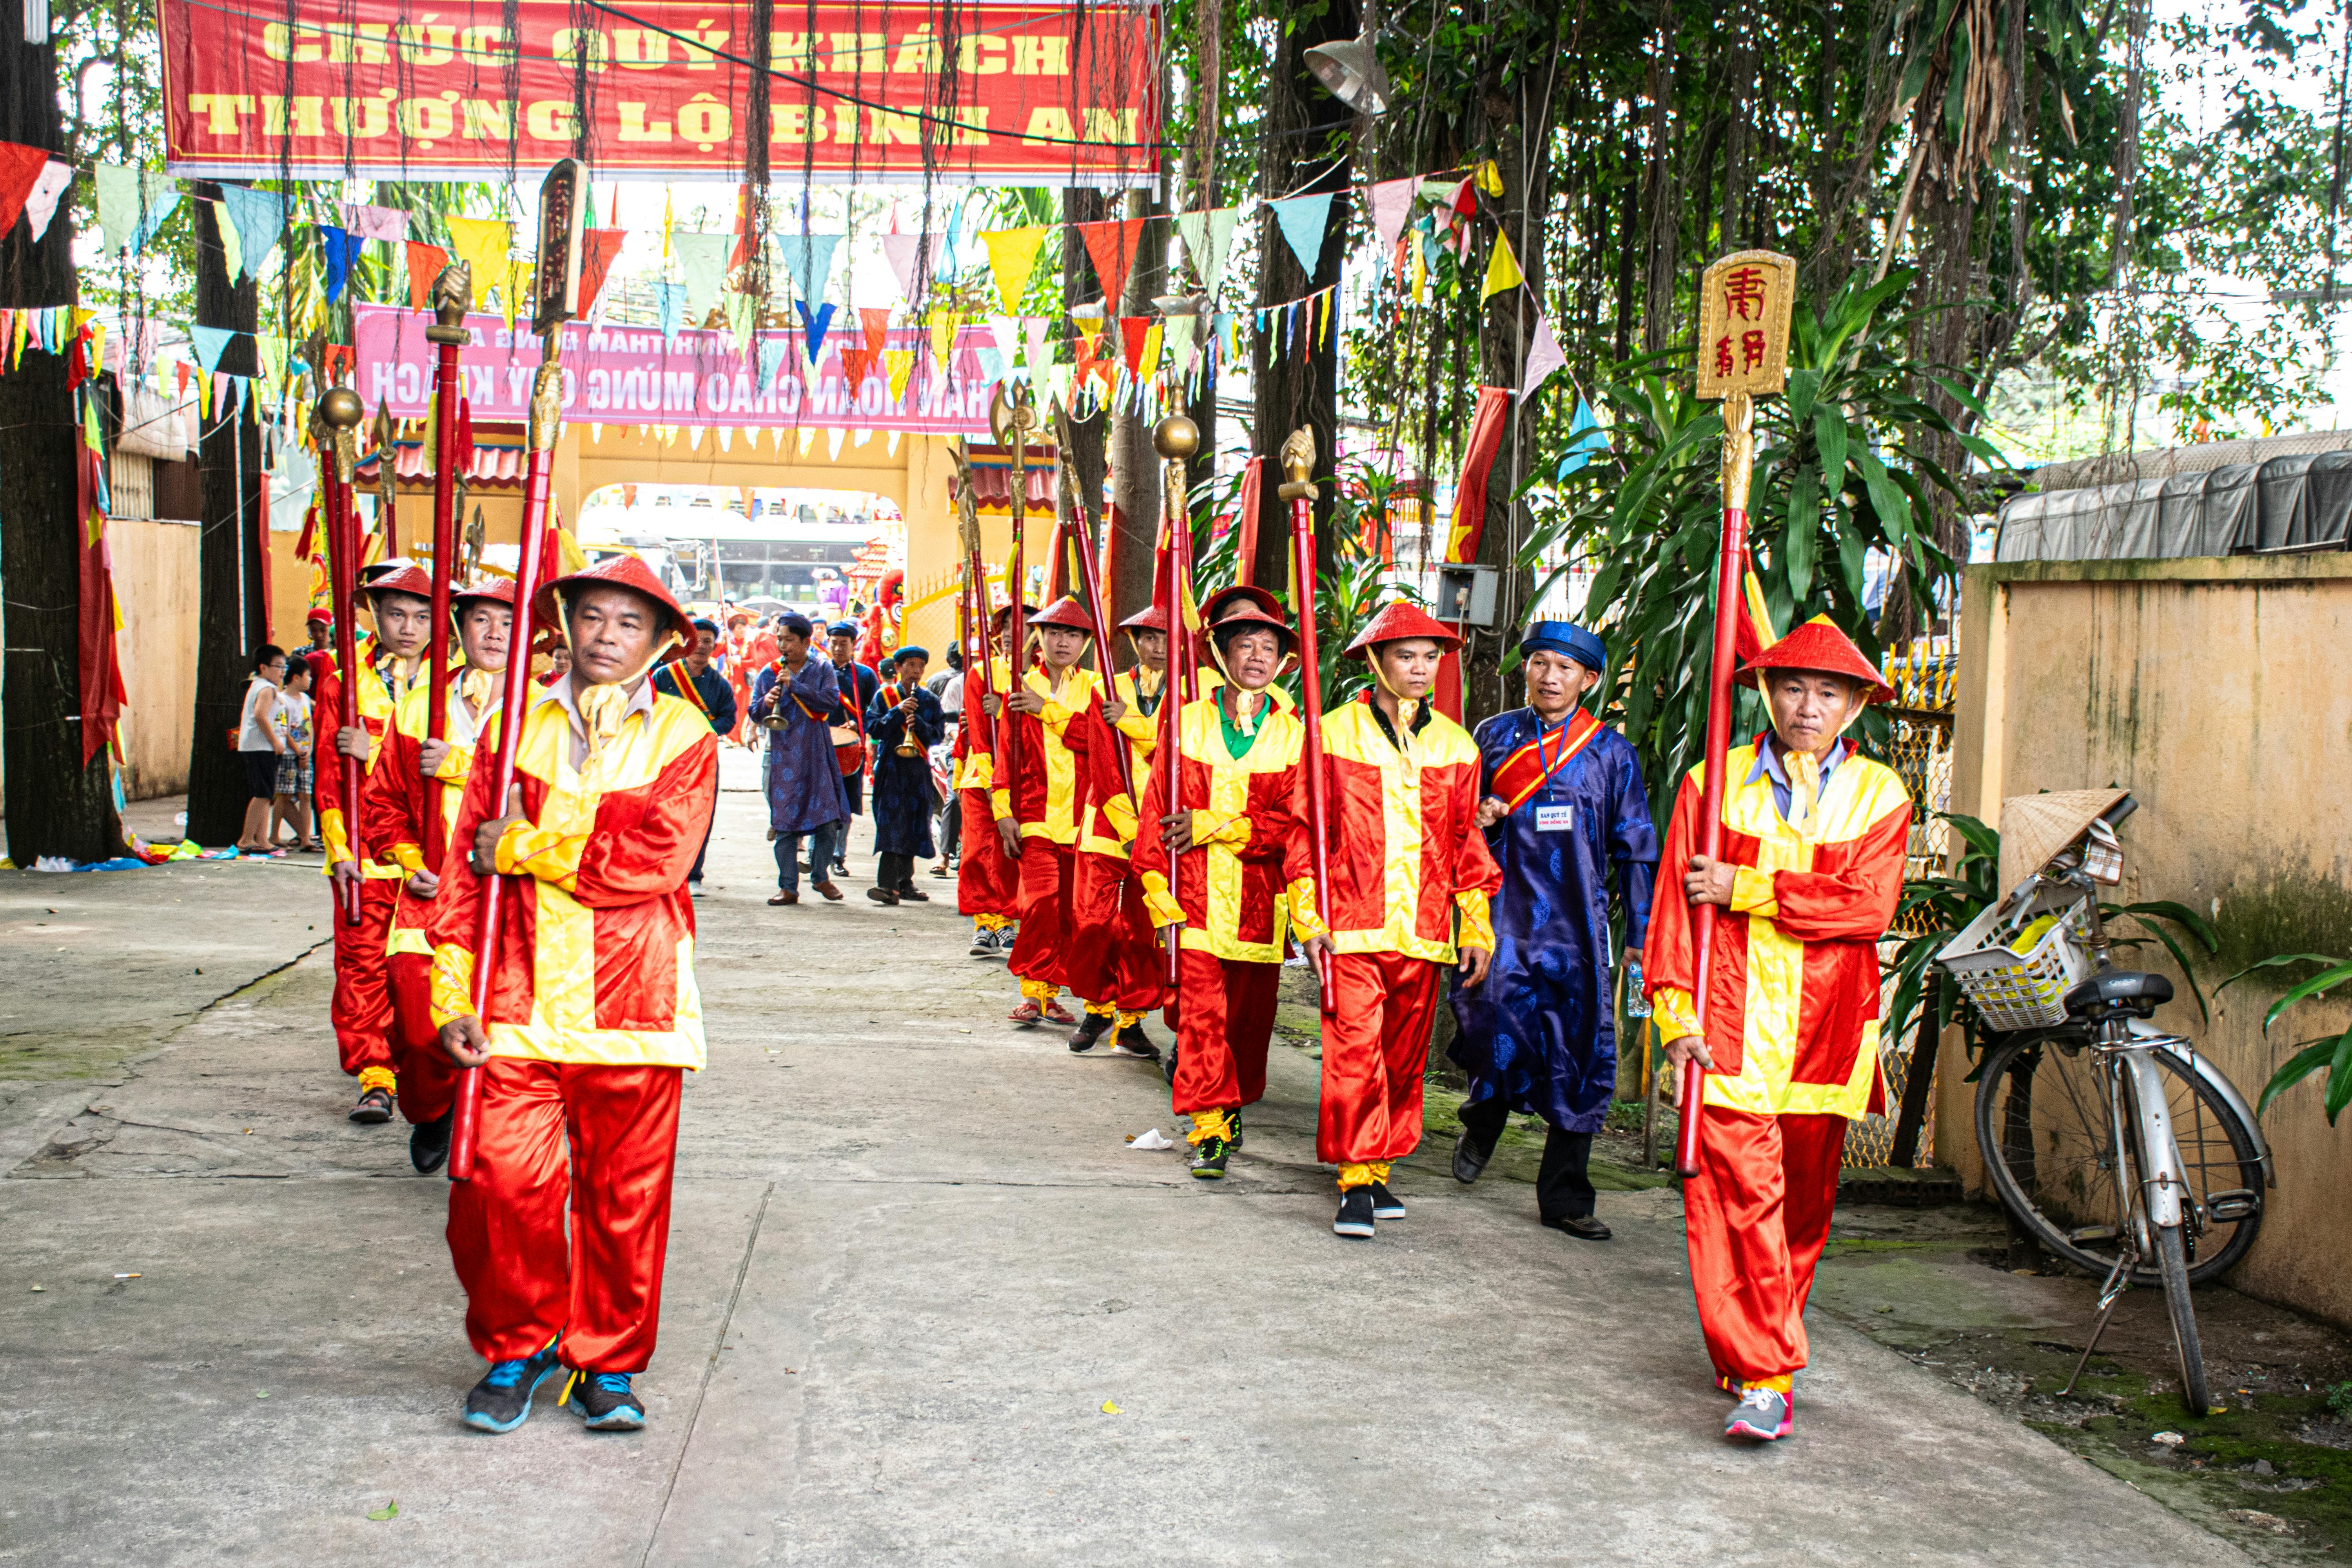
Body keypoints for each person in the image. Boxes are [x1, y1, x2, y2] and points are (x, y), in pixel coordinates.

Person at [426, 554, 716, 1436]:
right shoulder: (511, 729)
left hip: (636, 1008)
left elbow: (655, 863)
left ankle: (609, 1361)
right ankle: (518, 1343)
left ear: (661, 642)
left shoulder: (683, 737)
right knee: (497, 1187)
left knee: (624, 1200)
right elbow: (460, 873)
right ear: (566, 621)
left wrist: (524, 846)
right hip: (511, 995)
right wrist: (450, 994)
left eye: (629, 623)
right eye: (593, 615)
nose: (606, 636)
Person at [1642, 615, 1911, 1444]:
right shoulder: (1711, 782)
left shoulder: (1881, 796)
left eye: (1828, 691)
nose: (1808, 705)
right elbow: (1673, 910)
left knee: (1801, 1211)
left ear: (1856, 704)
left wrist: (1748, 884)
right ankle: (1767, 1375)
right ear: (1767, 690)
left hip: (1826, 1035)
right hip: (1726, 1022)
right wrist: (1674, 1011)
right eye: (1793, 685)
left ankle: (1757, 1331)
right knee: (1737, 1204)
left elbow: (1867, 908)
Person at [1447, 621, 1658, 1240]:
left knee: (1581, 1048)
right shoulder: (1494, 735)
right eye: (1540, 663)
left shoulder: (1610, 753)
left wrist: (1641, 933)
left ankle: (1566, 1197)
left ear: (1589, 680)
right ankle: (1483, 1120)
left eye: (1565, 668)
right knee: (1494, 1021)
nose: (1549, 676)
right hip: (1504, 914)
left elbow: (1637, 848)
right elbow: (1456, 824)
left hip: (1577, 925)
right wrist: (1482, 820)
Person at [1310, 603, 1499, 1240]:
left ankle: (1381, 1163)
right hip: (1350, 924)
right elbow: (1308, 837)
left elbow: (1464, 840)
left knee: (1400, 1059)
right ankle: (1357, 1179)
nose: (1420, 669)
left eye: (1429, 657)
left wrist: (1475, 926)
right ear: (1374, 660)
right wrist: (1309, 918)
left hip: (1422, 929)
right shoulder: (1332, 734)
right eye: (1405, 656)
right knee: (1353, 1051)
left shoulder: (1456, 744)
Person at [1132, 589, 1320, 1177]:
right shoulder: (1186, 722)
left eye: (1270, 647)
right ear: (1221, 653)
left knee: (1246, 1024)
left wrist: (1214, 824)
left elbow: (1294, 825)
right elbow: (1158, 813)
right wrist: (1158, 895)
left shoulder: (1297, 733)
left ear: (1284, 661)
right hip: (1192, 901)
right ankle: (1209, 1126)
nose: (1259, 657)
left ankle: (1230, 1099)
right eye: (1246, 645)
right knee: (1201, 1018)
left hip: (1262, 907)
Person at [367, 579, 512, 1174]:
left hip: (509, 895)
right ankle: (433, 1110)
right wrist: (409, 859)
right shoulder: (419, 704)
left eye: (507, 622)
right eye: (482, 620)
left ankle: (489, 1125)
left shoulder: (549, 712)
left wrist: (461, 763)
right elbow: (382, 802)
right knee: (416, 1008)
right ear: (460, 628)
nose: (495, 634)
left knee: (503, 1020)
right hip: (429, 895)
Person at [318, 564, 441, 1125]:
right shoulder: (345, 683)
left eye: (422, 616)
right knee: (362, 968)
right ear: (376, 616)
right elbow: (327, 774)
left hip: (433, 857)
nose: (409, 627)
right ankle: (375, 1075)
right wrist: (339, 852)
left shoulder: (457, 685)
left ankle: (434, 1072)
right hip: (368, 853)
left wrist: (379, 751)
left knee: (425, 974)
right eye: (397, 614)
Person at [995, 597, 1117, 1026]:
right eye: (1054, 633)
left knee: (1074, 913)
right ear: (1040, 638)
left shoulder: (1099, 688)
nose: (1063, 641)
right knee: (1041, 903)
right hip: (1035, 816)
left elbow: (1095, 739)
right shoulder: (1019, 686)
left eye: (1072, 634)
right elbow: (1005, 756)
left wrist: (1046, 710)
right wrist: (1002, 810)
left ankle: (1056, 993)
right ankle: (1034, 992)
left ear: (1085, 641)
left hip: (1086, 820)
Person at [751, 613, 848, 906]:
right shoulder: (769, 672)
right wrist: (765, 703)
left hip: (818, 755)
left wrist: (796, 685)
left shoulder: (822, 669)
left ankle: (820, 876)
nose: (782, 645)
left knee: (828, 821)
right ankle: (788, 887)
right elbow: (755, 713)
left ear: (806, 642)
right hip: (783, 758)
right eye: (779, 639)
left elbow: (831, 701)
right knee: (784, 825)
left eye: (789, 640)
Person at [957, 604, 1029, 956]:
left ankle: (1009, 921)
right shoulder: (981, 671)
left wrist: (1003, 710)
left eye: (1021, 626)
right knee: (978, 852)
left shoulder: (1046, 678)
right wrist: (989, 783)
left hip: (1028, 777)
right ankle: (986, 923)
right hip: (983, 775)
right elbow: (978, 735)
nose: (1009, 632)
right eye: (1005, 626)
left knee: (1013, 855)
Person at [652, 617, 739, 894]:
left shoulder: (720, 685)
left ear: (715, 647)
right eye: (697, 640)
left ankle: (693, 873)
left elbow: (728, 720)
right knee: (661, 813)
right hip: (664, 757)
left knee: (700, 814)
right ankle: (658, 867)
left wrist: (700, 728)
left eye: (708, 642)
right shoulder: (663, 676)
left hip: (702, 759)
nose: (702, 646)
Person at [863, 645, 945, 904]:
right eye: (911, 665)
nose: (917, 671)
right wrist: (897, 711)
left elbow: (937, 736)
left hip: (916, 771)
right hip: (890, 769)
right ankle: (887, 886)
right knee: (890, 826)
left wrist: (918, 724)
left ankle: (905, 883)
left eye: (921, 666)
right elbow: (874, 729)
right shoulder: (884, 697)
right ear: (898, 669)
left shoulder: (930, 701)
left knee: (911, 824)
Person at [826, 620, 879, 873]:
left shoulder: (866, 676)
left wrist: (859, 728)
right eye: (834, 644)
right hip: (822, 745)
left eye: (843, 644)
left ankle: (838, 856)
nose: (838, 649)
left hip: (850, 748)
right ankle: (818, 854)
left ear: (853, 645)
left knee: (844, 804)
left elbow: (875, 711)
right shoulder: (819, 671)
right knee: (820, 799)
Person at [236, 645, 290, 855]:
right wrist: (275, 742)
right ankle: (246, 839)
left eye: (284, 667)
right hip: (262, 747)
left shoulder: (260, 686)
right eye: (278, 667)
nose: (282, 672)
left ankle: (262, 839)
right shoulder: (266, 689)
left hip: (259, 747)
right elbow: (260, 716)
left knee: (265, 794)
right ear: (264, 667)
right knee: (262, 794)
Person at [269, 657, 319, 851]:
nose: (311, 680)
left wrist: (309, 750)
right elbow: (284, 729)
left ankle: (305, 839)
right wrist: (298, 751)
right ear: (297, 677)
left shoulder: (306, 699)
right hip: (289, 756)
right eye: (308, 676)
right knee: (284, 795)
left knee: (305, 795)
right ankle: (274, 836)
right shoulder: (282, 699)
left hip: (305, 755)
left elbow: (310, 726)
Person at [931, 647, 965, 877]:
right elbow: (950, 723)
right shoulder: (957, 684)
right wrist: (964, 739)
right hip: (963, 749)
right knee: (955, 799)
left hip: (998, 750)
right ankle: (944, 857)